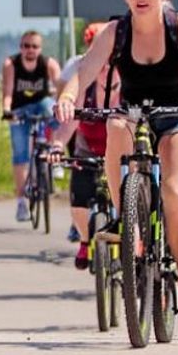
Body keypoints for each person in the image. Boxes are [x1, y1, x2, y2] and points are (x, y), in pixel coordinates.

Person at [55, 0, 178, 323]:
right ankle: (125, 217)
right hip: (135, 111)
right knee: (116, 125)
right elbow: (85, 71)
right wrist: (68, 97)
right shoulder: (115, 31)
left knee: (174, 192)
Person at [49, 22, 121, 270]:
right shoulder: (85, 89)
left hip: (119, 151)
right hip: (88, 148)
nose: (106, 69)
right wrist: (57, 145)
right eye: (101, 65)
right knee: (79, 200)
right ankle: (84, 239)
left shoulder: (128, 90)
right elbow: (69, 123)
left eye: (111, 64)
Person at [1, 31, 62, 222]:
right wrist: (6, 110)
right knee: (20, 154)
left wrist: (63, 105)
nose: (30, 50)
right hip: (19, 108)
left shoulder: (49, 64)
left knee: (56, 113)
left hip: (41, 104)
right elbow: (7, 91)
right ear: (20, 47)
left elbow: (61, 88)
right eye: (26, 46)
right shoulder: (11, 64)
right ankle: (21, 202)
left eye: (34, 46)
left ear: (40, 49)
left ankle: (53, 152)